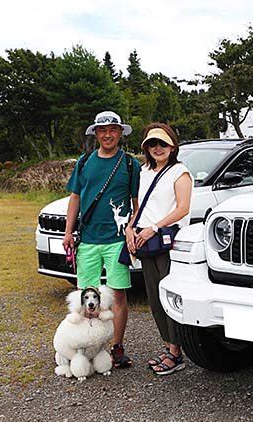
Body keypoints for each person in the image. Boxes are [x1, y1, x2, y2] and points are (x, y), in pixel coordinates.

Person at [62, 110, 141, 369]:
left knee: (118, 294)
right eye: (103, 130)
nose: (108, 135)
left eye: (113, 130)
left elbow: (136, 203)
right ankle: (88, 347)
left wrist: (131, 227)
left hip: (117, 241)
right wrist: (68, 232)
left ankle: (116, 347)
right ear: (95, 133)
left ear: (120, 133)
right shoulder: (84, 162)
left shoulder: (130, 164)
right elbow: (75, 197)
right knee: (86, 295)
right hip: (88, 240)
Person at [127, 123, 192, 375]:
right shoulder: (144, 171)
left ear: (172, 146)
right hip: (145, 240)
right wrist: (130, 228)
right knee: (154, 298)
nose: (157, 148)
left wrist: (154, 227)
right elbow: (141, 207)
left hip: (165, 241)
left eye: (163, 143)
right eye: (152, 144)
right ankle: (168, 346)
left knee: (169, 296)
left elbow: (183, 208)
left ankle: (176, 352)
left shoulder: (180, 172)